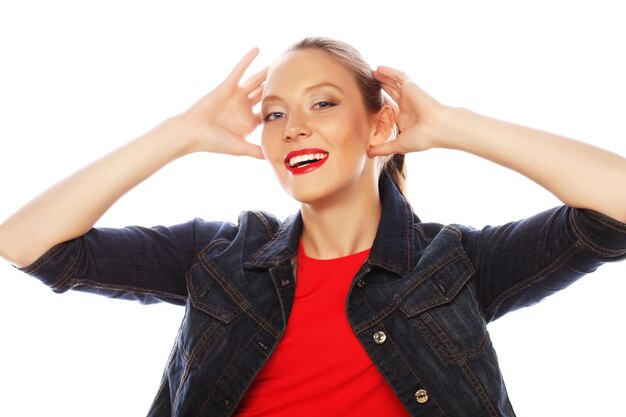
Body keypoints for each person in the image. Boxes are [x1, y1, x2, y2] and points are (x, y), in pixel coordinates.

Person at [0, 37, 625, 417]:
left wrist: (453, 125)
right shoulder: (219, 258)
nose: (292, 127)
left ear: (378, 126)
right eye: (274, 114)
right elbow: (26, 243)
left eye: (322, 103)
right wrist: (182, 134)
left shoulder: (453, 263)